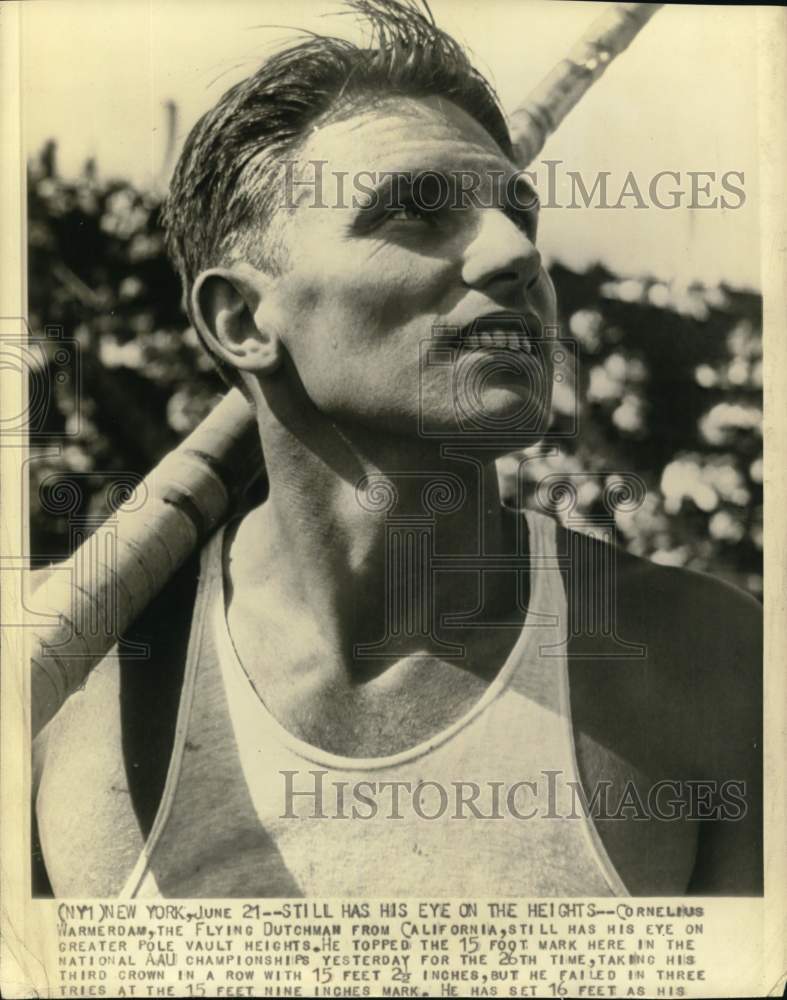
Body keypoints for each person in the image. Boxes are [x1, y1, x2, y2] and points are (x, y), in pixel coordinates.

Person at [33, 0, 762, 898]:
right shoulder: (65, 689)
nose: (514, 258)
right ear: (240, 321)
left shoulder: (713, 667)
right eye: (416, 215)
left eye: (519, 217)